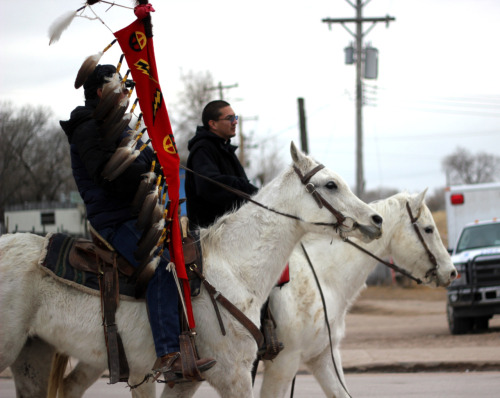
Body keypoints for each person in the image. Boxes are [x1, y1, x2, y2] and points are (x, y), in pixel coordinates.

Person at [60, 64, 215, 382]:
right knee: (162, 267)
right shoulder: (88, 128)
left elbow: (137, 162)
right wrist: (148, 162)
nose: (127, 95)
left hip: (136, 213)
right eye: (122, 90)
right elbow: (111, 176)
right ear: (103, 92)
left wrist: (157, 161)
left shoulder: (118, 126)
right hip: (114, 220)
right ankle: (169, 355)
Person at [185, 100, 258, 229]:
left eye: (235, 117)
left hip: (232, 230)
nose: (235, 122)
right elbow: (209, 185)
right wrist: (246, 189)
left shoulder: (224, 148)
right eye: (229, 118)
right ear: (213, 124)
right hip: (211, 236)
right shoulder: (203, 149)